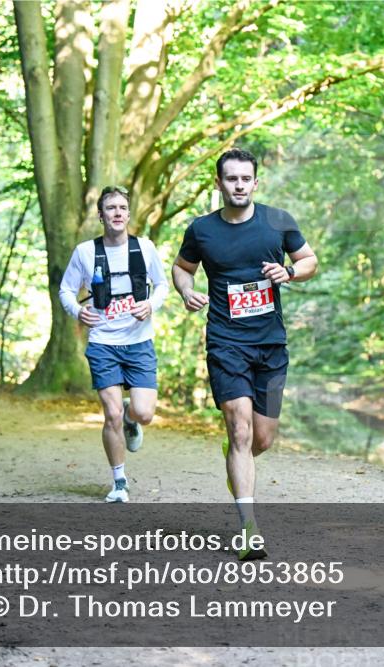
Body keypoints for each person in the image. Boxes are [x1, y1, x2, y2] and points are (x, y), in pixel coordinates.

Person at [172, 148, 317, 560]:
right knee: (239, 428)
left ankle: (237, 455)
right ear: (218, 183)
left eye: (244, 178)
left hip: (270, 345)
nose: (238, 185)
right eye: (230, 178)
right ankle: (249, 529)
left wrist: (288, 272)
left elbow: (309, 261)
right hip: (226, 341)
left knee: (262, 439)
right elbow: (182, 267)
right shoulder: (201, 230)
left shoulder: (278, 221)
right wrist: (186, 290)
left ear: (256, 182)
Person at [59, 185, 169, 503]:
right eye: (111, 208)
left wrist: (151, 305)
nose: (117, 213)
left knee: (144, 413)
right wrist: (78, 311)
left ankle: (132, 419)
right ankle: (119, 482)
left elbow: (161, 285)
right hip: (103, 342)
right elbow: (66, 290)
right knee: (111, 415)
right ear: (101, 215)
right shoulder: (85, 252)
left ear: (129, 214)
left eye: (122, 207)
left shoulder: (144, 248)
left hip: (139, 341)